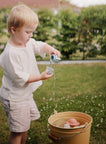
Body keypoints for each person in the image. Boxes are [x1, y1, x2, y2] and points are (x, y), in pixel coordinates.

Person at [0, 4, 60, 144]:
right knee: (17, 131)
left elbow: (38, 45)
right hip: (15, 98)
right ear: (13, 30)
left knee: (24, 127)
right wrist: (41, 76)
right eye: (28, 32)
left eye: (32, 31)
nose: (31, 35)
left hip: (24, 95)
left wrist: (50, 49)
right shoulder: (11, 54)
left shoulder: (25, 42)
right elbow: (20, 77)